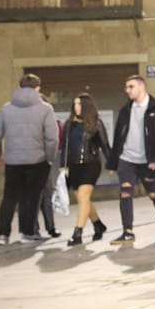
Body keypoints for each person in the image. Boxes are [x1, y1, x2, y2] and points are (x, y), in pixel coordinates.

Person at [0, 74, 57, 243]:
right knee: (32, 197)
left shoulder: (6, 108)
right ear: (38, 88)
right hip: (38, 160)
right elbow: (52, 138)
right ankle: (28, 233)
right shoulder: (46, 109)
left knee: (9, 197)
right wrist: (50, 157)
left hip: (13, 161)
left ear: (19, 87)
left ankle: (2, 234)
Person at [110, 74, 155, 243]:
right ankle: (127, 231)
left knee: (153, 193)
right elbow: (118, 137)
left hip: (147, 161)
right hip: (127, 159)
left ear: (141, 86)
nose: (127, 90)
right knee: (125, 192)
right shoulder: (125, 110)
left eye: (131, 87)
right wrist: (112, 162)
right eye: (126, 87)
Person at [59, 92, 112, 246]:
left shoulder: (96, 123)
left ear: (86, 106)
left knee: (83, 196)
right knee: (84, 200)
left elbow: (105, 145)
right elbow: (65, 147)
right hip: (74, 166)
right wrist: (63, 166)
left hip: (91, 164)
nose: (76, 107)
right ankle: (98, 225)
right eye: (74, 104)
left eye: (79, 104)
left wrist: (111, 164)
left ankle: (77, 234)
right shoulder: (69, 124)